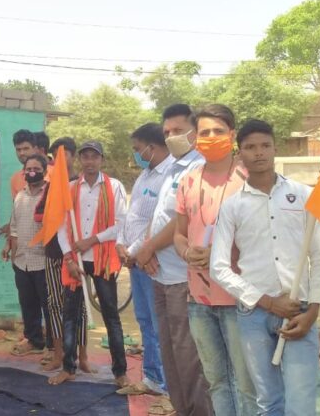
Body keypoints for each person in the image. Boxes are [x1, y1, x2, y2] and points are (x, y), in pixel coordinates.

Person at [210, 119, 320, 415]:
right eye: (250, 147)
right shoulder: (232, 206)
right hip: (254, 314)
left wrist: (312, 311)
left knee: (301, 402)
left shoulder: (304, 196)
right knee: (268, 401)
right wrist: (267, 302)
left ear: (276, 148)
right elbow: (219, 267)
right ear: (241, 154)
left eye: (265, 146)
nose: (259, 153)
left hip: (299, 313)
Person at [125, 104, 210, 415]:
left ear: (194, 131)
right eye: (167, 132)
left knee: (189, 356)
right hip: (160, 273)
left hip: (182, 276)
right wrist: (145, 248)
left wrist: (148, 249)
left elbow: (181, 219)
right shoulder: (172, 167)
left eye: (178, 130)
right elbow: (157, 216)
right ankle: (180, 407)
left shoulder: (198, 168)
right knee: (171, 353)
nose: (173, 136)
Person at [173, 104, 257, 416]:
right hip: (198, 298)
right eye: (205, 132)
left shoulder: (250, 178)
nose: (211, 137)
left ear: (232, 135)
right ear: (195, 138)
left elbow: (265, 239)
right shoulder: (188, 181)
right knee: (217, 380)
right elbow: (179, 233)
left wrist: (222, 255)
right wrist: (185, 252)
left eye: (218, 131)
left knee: (247, 382)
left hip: (240, 299)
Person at [49, 140, 128, 390]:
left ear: (101, 159)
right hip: (76, 263)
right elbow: (61, 227)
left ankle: (120, 372)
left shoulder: (114, 187)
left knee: (111, 316)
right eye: (85, 157)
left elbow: (120, 224)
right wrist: (70, 258)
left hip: (102, 260)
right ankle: (68, 368)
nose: (90, 161)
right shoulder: (70, 188)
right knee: (70, 316)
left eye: (94, 157)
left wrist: (92, 240)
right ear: (80, 160)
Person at [114, 123, 171, 401]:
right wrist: (121, 244)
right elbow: (131, 215)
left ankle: (168, 384)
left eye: (138, 149)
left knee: (162, 324)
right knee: (145, 321)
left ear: (152, 146)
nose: (137, 154)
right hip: (135, 261)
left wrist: (136, 250)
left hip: (154, 261)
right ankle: (152, 377)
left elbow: (159, 221)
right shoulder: (144, 176)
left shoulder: (170, 176)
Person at [41, 136, 87, 372]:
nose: (57, 160)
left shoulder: (81, 184)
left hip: (76, 254)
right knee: (55, 304)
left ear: (71, 155)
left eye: (61, 154)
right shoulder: (51, 184)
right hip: (52, 252)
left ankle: (83, 356)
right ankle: (58, 354)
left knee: (80, 306)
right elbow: (41, 214)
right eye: (53, 156)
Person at [2, 154, 51, 356]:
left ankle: (54, 346)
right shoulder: (20, 196)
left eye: (36, 169)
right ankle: (34, 341)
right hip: (21, 260)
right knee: (27, 303)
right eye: (28, 169)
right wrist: (8, 247)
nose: (32, 172)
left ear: (45, 171)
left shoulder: (50, 195)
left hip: (43, 261)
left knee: (49, 306)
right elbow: (13, 227)